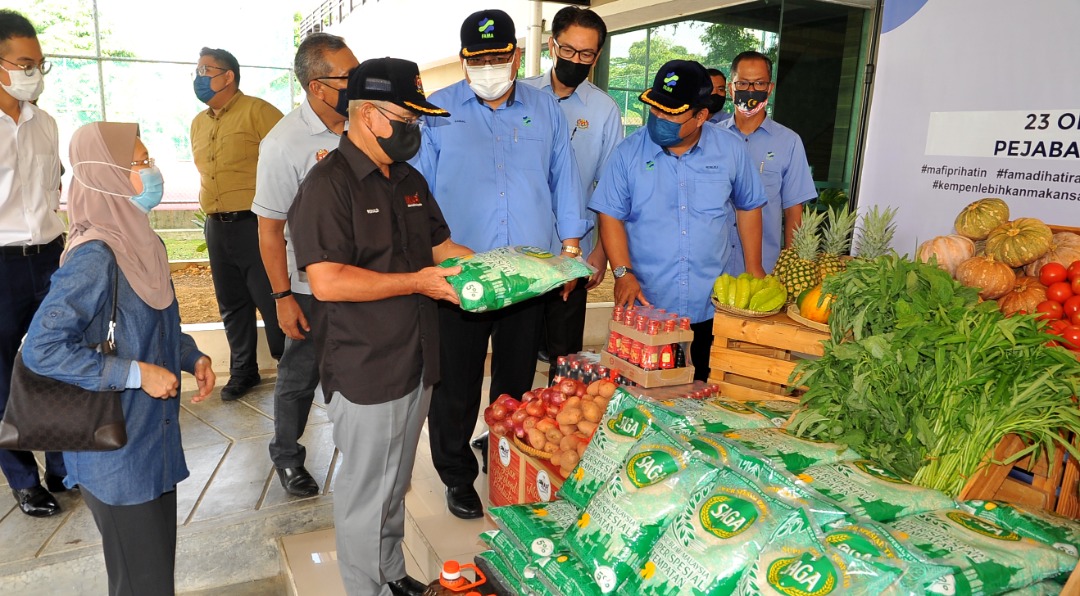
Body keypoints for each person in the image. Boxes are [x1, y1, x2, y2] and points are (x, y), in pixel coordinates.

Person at [288, 57, 471, 596]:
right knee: (368, 492)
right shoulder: (327, 185)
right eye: (406, 117)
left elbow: (441, 248)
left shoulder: (408, 179)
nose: (414, 128)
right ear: (366, 114)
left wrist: (506, 267)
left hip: (416, 357)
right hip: (367, 365)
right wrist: (418, 282)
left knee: (394, 486)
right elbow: (327, 280)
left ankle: (390, 575)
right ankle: (366, 588)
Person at [22, 122, 217, 595]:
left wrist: (192, 357)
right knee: (144, 584)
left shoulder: (144, 242)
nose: (152, 172)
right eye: (138, 163)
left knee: (147, 579)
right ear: (104, 174)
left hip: (153, 441)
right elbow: (41, 348)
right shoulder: (96, 256)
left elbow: (153, 326)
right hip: (116, 454)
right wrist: (134, 374)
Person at [415, 8, 588, 520]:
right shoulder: (436, 112)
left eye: (498, 56)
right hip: (461, 275)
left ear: (516, 55)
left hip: (529, 272)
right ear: (466, 60)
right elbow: (418, 193)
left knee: (515, 378)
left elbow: (565, 178)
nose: (489, 66)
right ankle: (455, 474)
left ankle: (502, 451)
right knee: (456, 381)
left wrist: (571, 253)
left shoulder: (545, 108)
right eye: (478, 59)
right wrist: (432, 260)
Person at [589, 60, 766, 382]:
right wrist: (622, 273)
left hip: (711, 302)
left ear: (701, 116)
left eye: (671, 113)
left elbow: (749, 206)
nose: (659, 119)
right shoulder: (627, 153)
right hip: (647, 304)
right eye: (655, 109)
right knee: (644, 395)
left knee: (704, 393)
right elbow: (611, 215)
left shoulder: (730, 150)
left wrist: (754, 269)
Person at [252, 33, 359, 499]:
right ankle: (288, 457)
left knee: (357, 373)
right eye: (348, 77)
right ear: (318, 86)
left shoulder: (364, 124)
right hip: (309, 287)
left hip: (360, 281)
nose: (359, 83)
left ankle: (357, 451)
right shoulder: (284, 144)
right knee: (298, 378)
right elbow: (270, 229)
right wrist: (282, 298)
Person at [520, 5, 622, 367]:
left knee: (564, 359)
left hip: (573, 254)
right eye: (568, 50)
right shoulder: (520, 96)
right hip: (522, 251)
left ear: (596, 57)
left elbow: (610, 189)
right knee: (516, 355)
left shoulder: (604, 110)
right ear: (552, 45)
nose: (575, 60)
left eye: (586, 54)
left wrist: (602, 254)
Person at [0, 8, 68, 518]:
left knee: (58, 363)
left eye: (39, 64)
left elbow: (53, 194)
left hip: (48, 257)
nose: (34, 73)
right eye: (25, 64)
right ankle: (24, 480)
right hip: (0, 266)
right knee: (3, 379)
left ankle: (65, 466)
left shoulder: (46, 123)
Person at [190, 46, 285, 401]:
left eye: (205, 70)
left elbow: (288, 162)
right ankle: (245, 370)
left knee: (272, 298)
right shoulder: (199, 123)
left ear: (227, 76)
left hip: (256, 224)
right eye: (196, 71)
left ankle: (290, 366)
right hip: (216, 225)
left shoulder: (259, 112)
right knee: (231, 302)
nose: (198, 78)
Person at [719, 51, 816, 274]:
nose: (751, 90)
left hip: (764, 270)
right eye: (743, 83)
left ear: (769, 89)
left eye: (759, 83)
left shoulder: (788, 142)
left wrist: (790, 267)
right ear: (731, 87)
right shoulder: (712, 139)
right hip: (713, 268)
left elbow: (794, 211)